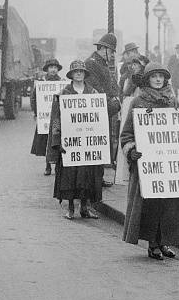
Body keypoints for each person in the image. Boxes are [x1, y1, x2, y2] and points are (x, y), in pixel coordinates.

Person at [120, 62, 179, 260]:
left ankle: (164, 242)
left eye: (161, 76)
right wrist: (132, 151)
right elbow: (126, 135)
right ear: (147, 79)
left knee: (168, 205)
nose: (158, 79)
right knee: (151, 205)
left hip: (168, 163)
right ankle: (152, 244)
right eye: (154, 76)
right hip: (147, 165)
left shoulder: (173, 102)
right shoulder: (138, 102)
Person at [47, 60, 104, 220]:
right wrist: (57, 141)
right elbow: (56, 119)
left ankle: (85, 207)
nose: (79, 74)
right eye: (75, 71)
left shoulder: (93, 93)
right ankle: (71, 208)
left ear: (85, 74)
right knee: (70, 176)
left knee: (87, 176)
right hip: (70, 144)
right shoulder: (63, 94)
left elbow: (98, 118)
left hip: (87, 144)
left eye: (81, 71)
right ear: (71, 74)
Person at [85, 33, 122, 187]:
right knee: (95, 144)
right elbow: (95, 87)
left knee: (101, 144)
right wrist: (111, 99)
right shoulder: (92, 63)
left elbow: (112, 84)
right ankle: (93, 180)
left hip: (104, 109)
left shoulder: (101, 63)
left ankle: (98, 178)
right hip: (97, 110)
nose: (113, 54)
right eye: (111, 51)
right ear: (103, 49)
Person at [115, 56, 149, 184]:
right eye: (133, 64)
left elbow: (127, 92)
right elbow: (124, 92)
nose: (134, 66)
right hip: (128, 106)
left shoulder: (139, 79)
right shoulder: (129, 77)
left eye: (137, 64)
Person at [30, 58, 63, 175]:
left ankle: (58, 165)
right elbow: (34, 98)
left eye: (55, 67)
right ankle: (48, 166)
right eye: (51, 67)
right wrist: (36, 112)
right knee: (45, 141)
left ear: (58, 69)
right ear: (47, 69)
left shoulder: (62, 83)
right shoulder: (41, 82)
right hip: (44, 117)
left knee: (57, 140)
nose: (53, 70)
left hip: (56, 117)